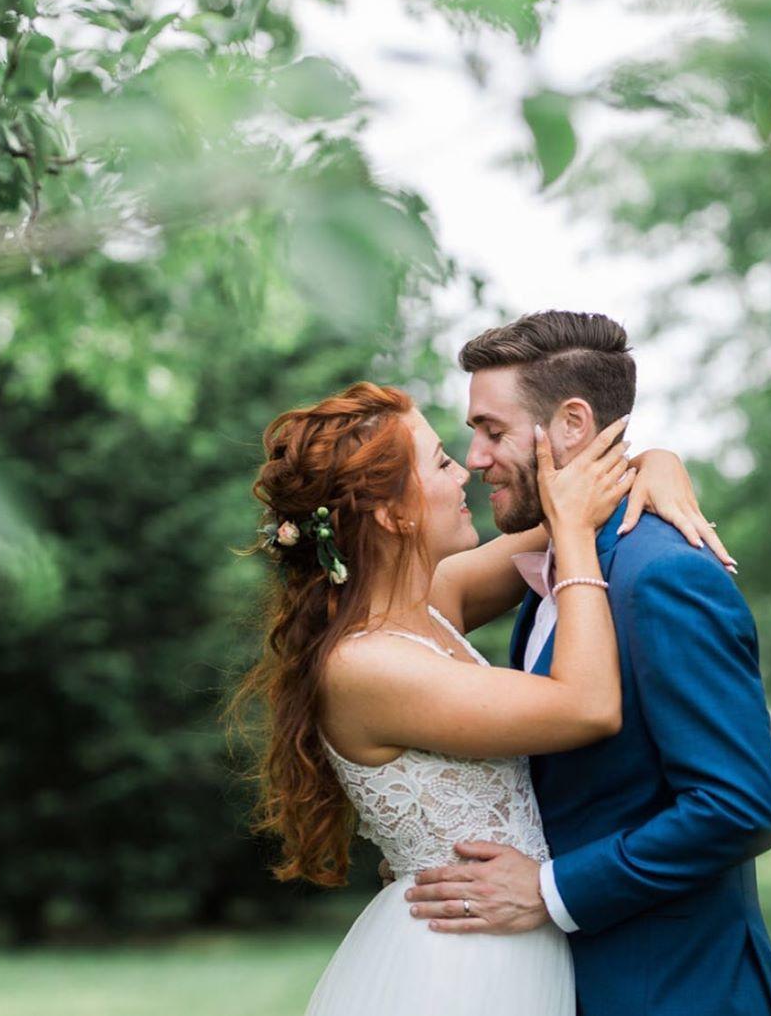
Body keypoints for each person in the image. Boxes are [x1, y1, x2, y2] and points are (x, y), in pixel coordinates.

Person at [230, 379, 725, 1016]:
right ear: (393, 512)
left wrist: (659, 462)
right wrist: (574, 536)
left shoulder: (428, 605)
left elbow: (579, 501)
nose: (466, 469)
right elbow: (587, 705)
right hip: (458, 966)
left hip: (506, 945)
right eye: (439, 461)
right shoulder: (365, 665)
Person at [405, 311, 771, 1016]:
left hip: (674, 990)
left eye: (492, 430)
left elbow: (740, 807)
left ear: (572, 424)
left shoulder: (664, 575)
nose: (477, 458)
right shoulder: (560, 559)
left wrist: (552, 891)